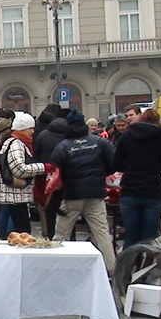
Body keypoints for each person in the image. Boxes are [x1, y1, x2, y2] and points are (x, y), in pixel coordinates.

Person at [51, 113, 117, 272]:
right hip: (96, 193)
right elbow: (113, 163)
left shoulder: (63, 146)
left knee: (61, 235)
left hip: (72, 195)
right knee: (102, 234)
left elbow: (54, 172)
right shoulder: (100, 142)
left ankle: (54, 268)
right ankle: (113, 270)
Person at [112, 106, 161, 248]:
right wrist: (157, 167)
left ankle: (128, 268)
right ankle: (147, 268)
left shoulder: (126, 136)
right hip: (153, 190)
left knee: (131, 236)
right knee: (150, 238)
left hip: (130, 191)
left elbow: (116, 164)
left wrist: (130, 167)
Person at [0, 112, 50, 236]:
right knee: (21, 231)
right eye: (30, 128)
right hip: (16, 195)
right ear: (21, 129)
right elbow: (19, 169)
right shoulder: (16, 144)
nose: (33, 132)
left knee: (17, 229)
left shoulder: (14, 142)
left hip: (14, 195)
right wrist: (44, 167)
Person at [33, 115, 68, 238]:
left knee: (49, 207)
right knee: (65, 209)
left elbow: (36, 154)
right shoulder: (68, 137)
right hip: (65, 177)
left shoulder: (42, 135)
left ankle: (50, 234)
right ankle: (67, 237)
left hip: (46, 175)